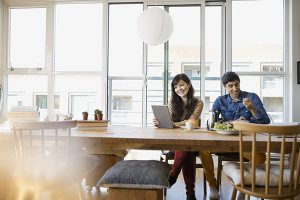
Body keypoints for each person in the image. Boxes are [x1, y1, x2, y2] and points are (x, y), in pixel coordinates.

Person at [199, 71, 270, 199]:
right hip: (225, 142)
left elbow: (265, 121)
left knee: (260, 157)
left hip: (246, 142)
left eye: (237, 85)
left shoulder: (252, 97)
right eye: (230, 86)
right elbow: (211, 122)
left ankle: (244, 188)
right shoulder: (220, 101)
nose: (234, 89)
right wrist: (227, 122)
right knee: (203, 149)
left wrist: (252, 109)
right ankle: (213, 185)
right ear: (225, 87)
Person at [153, 73, 203, 200]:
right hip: (172, 141)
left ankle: (173, 174)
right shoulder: (172, 102)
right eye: (176, 87)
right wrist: (159, 121)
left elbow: (191, 121)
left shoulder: (198, 103)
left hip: (190, 141)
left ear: (189, 85)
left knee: (187, 148)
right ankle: (190, 194)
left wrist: (174, 124)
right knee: (187, 150)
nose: (179, 89)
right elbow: (168, 122)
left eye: (181, 85)